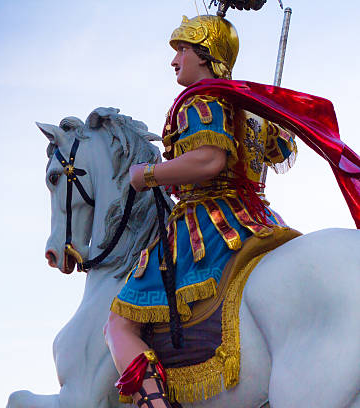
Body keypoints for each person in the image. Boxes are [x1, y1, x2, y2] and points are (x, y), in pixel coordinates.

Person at [102, 15, 297, 408]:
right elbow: (282, 149)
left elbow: (208, 160)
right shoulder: (251, 107)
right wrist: (274, 117)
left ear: (206, 56)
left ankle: (155, 404)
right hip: (259, 220)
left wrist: (147, 174)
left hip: (209, 224)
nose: (175, 60)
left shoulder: (200, 99)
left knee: (119, 323)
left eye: (183, 49)